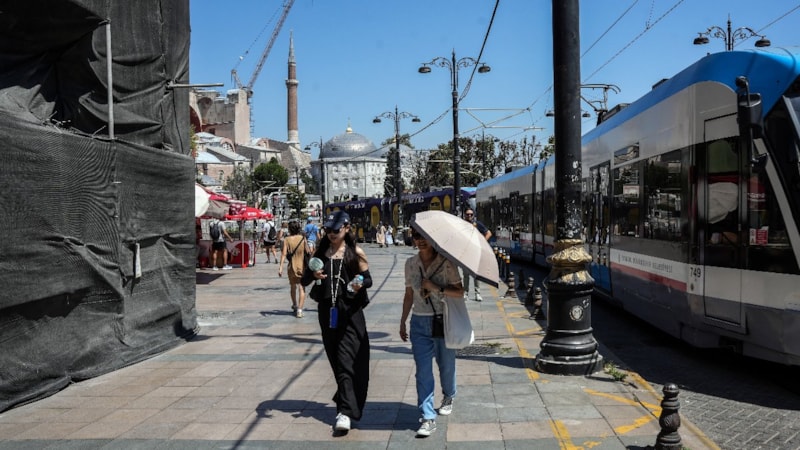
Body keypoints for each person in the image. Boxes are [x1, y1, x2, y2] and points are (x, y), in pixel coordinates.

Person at [302, 211, 372, 433]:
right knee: (337, 361)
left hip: (351, 313)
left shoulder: (355, 253)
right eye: (328, 230)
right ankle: (345, 406)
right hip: (328, 313)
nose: (331, 234)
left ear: (347, 228)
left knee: (352, 361)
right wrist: (313, 276)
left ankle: (344, 410)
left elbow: (368, 279)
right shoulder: (320, 253)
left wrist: (360, 282)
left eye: (336, 230)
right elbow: (303, 280)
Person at [400, 226, 464, 437]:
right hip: (419, 323)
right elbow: (409, 294)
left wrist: (436, 287)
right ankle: (428, 417)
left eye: (425, 236)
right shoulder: (410, 264)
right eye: (416, 236)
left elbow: (459, 292)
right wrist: (402, 321)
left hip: (443, 322)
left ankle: (448, 395)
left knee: (446, 366)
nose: (420, 240)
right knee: (423, 371)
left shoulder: (447, 263)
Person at [278, 220, 307, 318]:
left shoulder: (287, 239)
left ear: (289, 229)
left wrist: (280, 267)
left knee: (293, 286)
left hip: (291, 267)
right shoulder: (303, 238)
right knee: (302, 288)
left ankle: (294, 305)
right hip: (302, 266)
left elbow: (284, 254)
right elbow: (308, 251)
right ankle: (300, 309)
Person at [462, 208, 491, 301]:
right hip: (465, 252)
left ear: (473, 215)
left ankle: (477, 293)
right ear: (464, 215)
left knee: (476, 274)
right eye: (467, 214)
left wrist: (482, 243)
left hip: (475, 252)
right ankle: (465, 293)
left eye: (471, 214)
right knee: (465, 275)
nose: (469, 216)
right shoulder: (461, 224)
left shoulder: (477, 224)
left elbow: (489, 233)